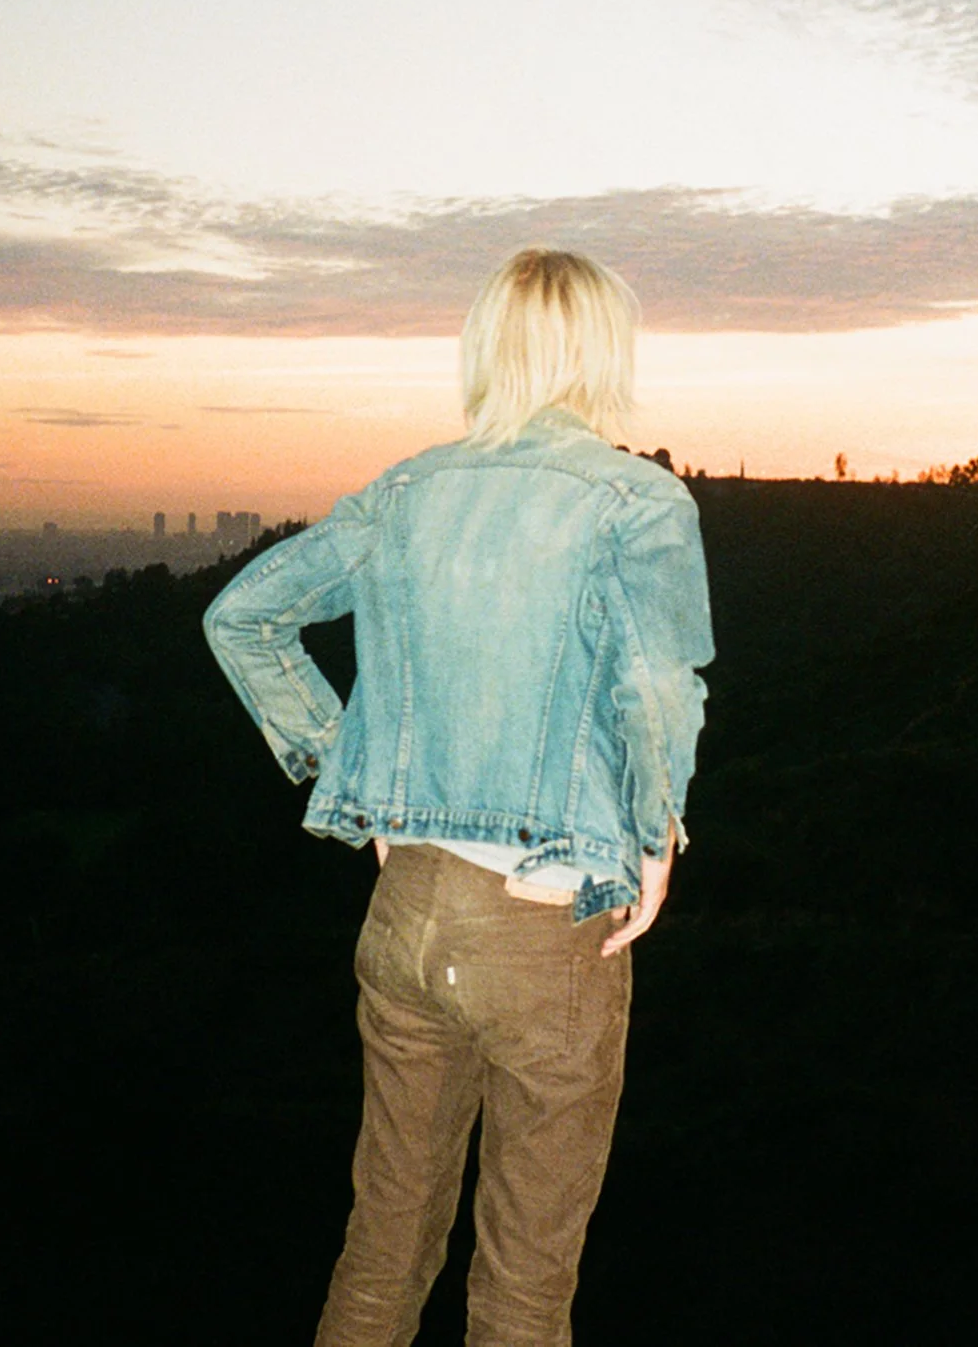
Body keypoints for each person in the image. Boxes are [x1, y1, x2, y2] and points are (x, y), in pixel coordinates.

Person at [203, 248, 713, 1347]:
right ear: (603, 353)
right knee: (523, 1289)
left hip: (405, 918)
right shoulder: (636, 499)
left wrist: (356, 777)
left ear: (488, 349)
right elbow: (655, 688)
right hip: (544, 929)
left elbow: (240, 617)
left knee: (383, 1250)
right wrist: (657, 839)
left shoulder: (403, 493)